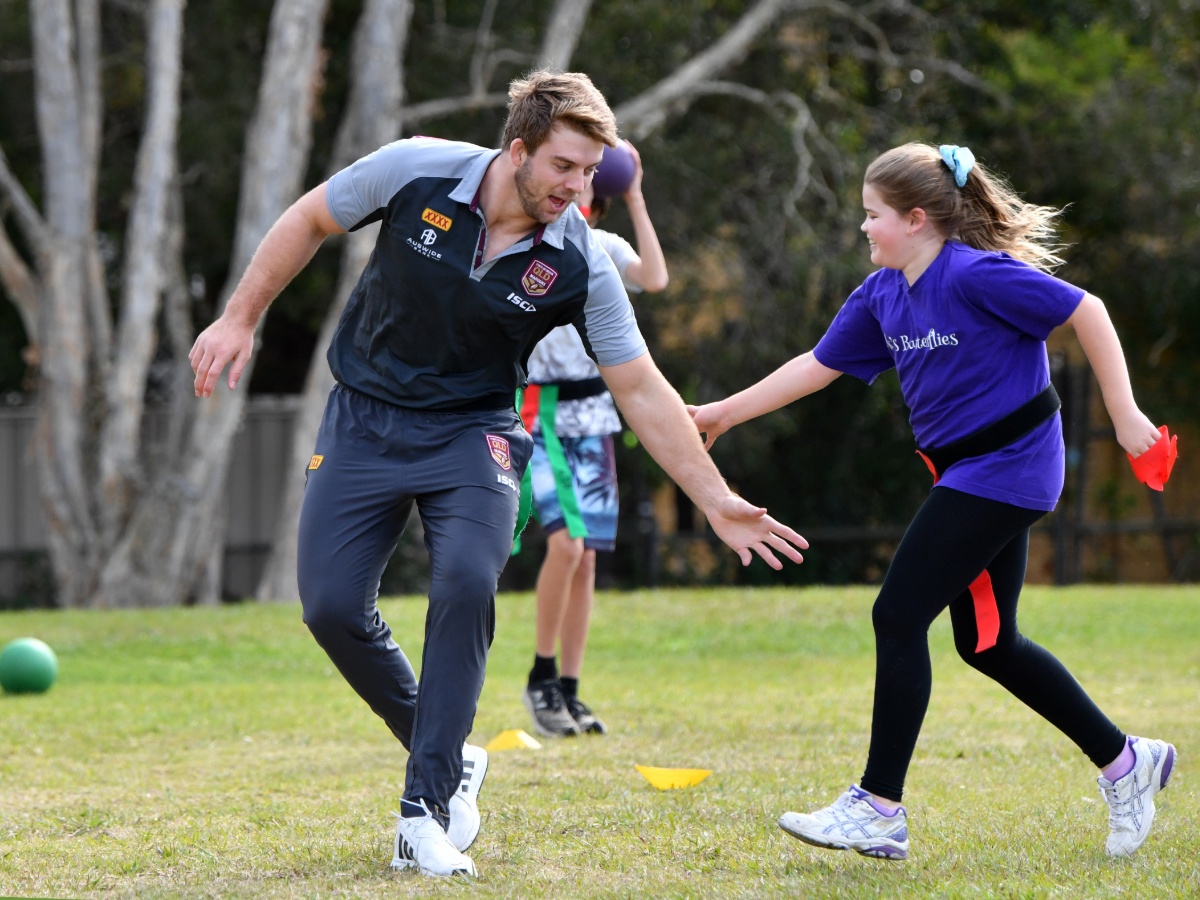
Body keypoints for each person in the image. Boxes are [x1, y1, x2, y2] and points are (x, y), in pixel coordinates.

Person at [189, 69, 808, 879]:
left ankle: (425, 809)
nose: (578, 188)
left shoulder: (578, 257)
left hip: (474, 432)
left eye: (591, 173)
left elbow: (642, 389)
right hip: (365, 417)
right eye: (564, 167)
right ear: (517, 150)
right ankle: (448, 751)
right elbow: (309, 218)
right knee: (332, 607)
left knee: (465, 585)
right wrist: (239, 317)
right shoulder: (416, 168)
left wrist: (717, 498)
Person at [689, 142, 1176, 862]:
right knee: (987, 644)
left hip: (1010, 466)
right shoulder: (882, 294)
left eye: (872, 216)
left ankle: (879, 807)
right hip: (962, 473)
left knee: (898, 612)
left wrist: (1126, 413)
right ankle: (1127, 763)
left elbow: (1089, 310)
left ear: (917, 219)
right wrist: (723, 413)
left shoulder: (977, 274)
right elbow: (816, 367)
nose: (863, 229)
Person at [520, 140, 669, 738]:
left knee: (587, 562)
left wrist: (633, 189)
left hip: (595, 414)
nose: (576, 188)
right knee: (566, 547)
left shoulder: (602, 247)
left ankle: (571, 691)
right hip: (540, 409)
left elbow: (655, 277)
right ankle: (540, 677)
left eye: (588, 183)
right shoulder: (530, 243)